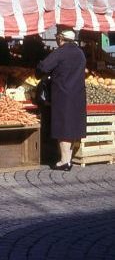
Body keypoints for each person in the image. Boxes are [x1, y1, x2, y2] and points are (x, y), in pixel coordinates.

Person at [37, 28, 87, 171]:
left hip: (63, 94)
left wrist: (38, 69)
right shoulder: (80, 53)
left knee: (63, 127)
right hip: (78, 94)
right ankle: (68, 159)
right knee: (72, 126)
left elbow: (44, 66)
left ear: (60, 38)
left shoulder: (60, 52)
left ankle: (64, 161)